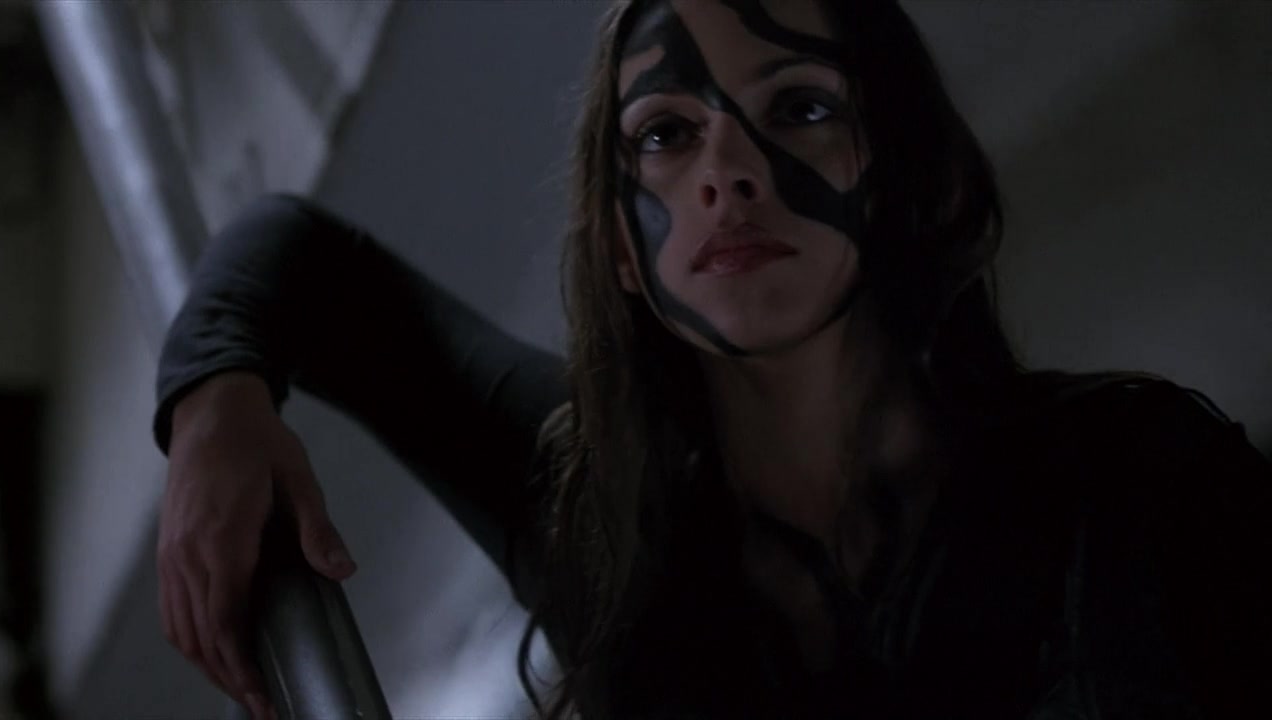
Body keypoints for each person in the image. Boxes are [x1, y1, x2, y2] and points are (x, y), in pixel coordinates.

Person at [153, 1, 1272, 718]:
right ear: (621, 252)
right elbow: (296, 254)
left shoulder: (1139, 475)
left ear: (911, 179)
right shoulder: (597, 516)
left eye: (800, 107)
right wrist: (212, 404)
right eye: (665, 134)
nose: (726, 170)